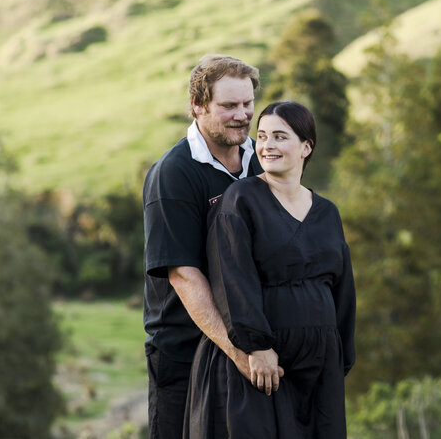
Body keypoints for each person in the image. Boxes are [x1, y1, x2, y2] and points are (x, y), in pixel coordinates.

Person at [184, 101, 356, 439]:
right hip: (265, 369)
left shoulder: (327, 212)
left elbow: (342, 288)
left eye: (280, 137)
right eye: (261, 136)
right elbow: (232, 276)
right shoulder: (241, 199)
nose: (267, 146)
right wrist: (256, 347)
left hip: (318, 368)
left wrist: (340, 353)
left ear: (306, 147)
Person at [143, 54, 269, 439]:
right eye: (229, 106)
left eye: (248, 104)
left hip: (251, 344)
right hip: (184, 351)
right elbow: (183, 274)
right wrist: (239, 355)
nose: (242, 115)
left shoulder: (260, 160)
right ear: (198, 105)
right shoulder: (173, 174)